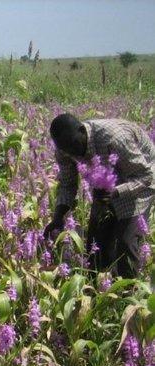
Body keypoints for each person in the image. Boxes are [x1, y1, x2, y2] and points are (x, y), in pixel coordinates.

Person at [43, 114, 155, 278]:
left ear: (82, 130)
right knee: (96, 245)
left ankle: (128, 294)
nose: (73, 153)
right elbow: (68, 183)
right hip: (103, 182)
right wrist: (58, 217)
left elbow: (146, 176)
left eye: (74, 145)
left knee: (125, 243)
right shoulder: (65, 148)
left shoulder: (114, 139)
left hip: (139, 177)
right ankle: (100, 290)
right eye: (66, 149)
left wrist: (116, 191)